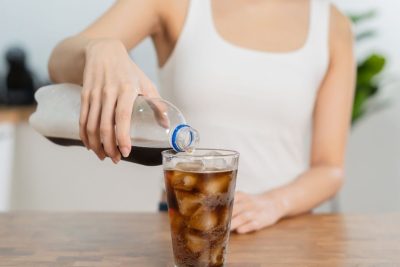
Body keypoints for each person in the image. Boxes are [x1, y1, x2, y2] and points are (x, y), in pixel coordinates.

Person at [48, 0, 355, 234]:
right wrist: (100, 48)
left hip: (288, 233)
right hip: (186, 227)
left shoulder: (332, 25)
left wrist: (274, 203)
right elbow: (59, 62)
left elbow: (329, 167)